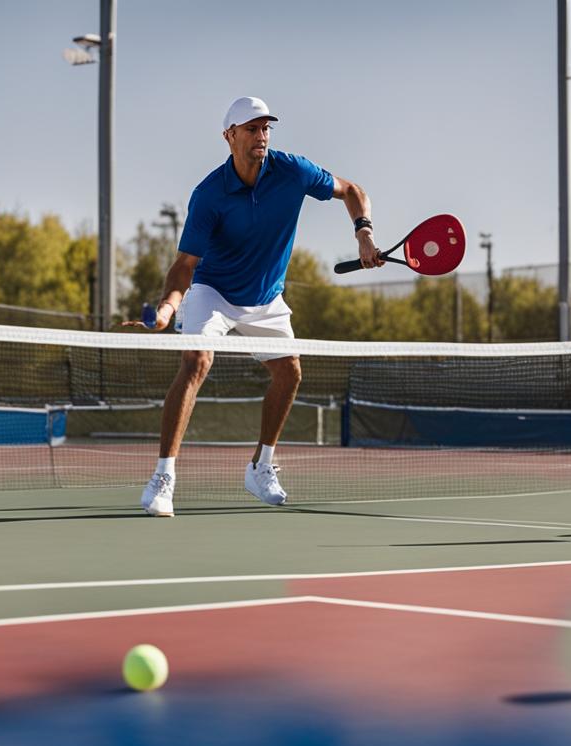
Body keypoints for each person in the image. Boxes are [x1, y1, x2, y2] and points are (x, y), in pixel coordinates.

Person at [122, 96, 379, 517]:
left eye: (266, 128)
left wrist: (363, 233)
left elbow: (352, 190)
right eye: (252, 128)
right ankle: (163, 477)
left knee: (290, 373)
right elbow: (185, 265)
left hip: (265, 297)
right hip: (214, 292)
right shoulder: (208, 194)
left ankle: (260, 466)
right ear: (230, 136)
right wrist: (170, 306)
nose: (262, 136)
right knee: (195, 362)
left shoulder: (293, 171)